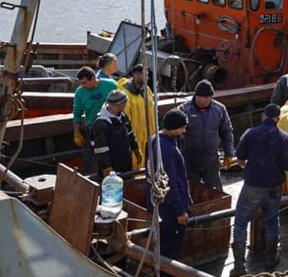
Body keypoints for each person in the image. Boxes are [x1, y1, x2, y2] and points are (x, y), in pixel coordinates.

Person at [229, 104, 288, 276]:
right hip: (274, 187)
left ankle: (239, 266)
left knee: (241, 221)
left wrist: (250, 168)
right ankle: (271, 259)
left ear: (262, 116)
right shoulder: (284, 137)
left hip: (252, 185)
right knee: (272, 220)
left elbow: (240, 158)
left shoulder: (250, 133)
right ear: (278, 119)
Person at [146, 109, 192, 261]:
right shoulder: (168, 149)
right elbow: (170, 182)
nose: (184, 131)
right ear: (174, 127)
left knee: (163, 244)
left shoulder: (154, 140)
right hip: (169, 209)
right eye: (182, 127)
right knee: (170, 248)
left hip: (159, 205)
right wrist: (180, 211)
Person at [179, 79, 235, 190]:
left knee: (216, 191)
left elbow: (227, 131)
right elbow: (175, 134)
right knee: (190, 191)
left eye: (209, 97)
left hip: (211, 161)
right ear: (196, 96)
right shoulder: (184, 110)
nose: (207, 100)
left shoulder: (219, 109)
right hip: (190, 161)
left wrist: (229, 153)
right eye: (204, 97)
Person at [72, 66, 119, 175]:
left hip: (111, 127)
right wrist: (76, 132)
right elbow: (77, 113)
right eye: (81, 83)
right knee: (90, 157)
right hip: (92, 129)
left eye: (84, 83)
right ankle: (91, 178)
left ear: (93, 78)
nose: (82, 86)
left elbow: (121, 102)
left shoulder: (111, 85)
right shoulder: (80, 92)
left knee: (114, 153)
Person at [91, 89, 142, 179]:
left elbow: (130, 133)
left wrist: (136, 149)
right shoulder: (102, 124)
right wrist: (107, 168)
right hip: (112, 167)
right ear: (120, 104)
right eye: (125, 103)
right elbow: (101, 149)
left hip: (125, 163)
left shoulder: (123, 116)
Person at [120, 64, 156, 169]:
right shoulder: (125, 94)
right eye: (145, 75)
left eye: (148, 75)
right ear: (136, 75)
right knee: (135, 162)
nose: (148, 78)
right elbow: (125, 118)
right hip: (135, 136)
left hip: (149, 134)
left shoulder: (147, 90)